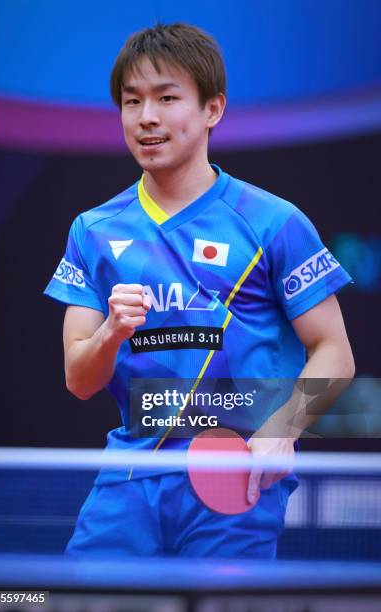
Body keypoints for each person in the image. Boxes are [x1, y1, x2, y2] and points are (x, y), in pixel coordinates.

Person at [44, 23, 354, 559]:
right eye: (131, 101)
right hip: (131, 473)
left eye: (167, 98)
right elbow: (79, 379)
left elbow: (336, 353)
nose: (147, 117)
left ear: (213, 109)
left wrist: (284, 428)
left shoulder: (272, 222)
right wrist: (112, 333)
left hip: (235, 475)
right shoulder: (93, 230)